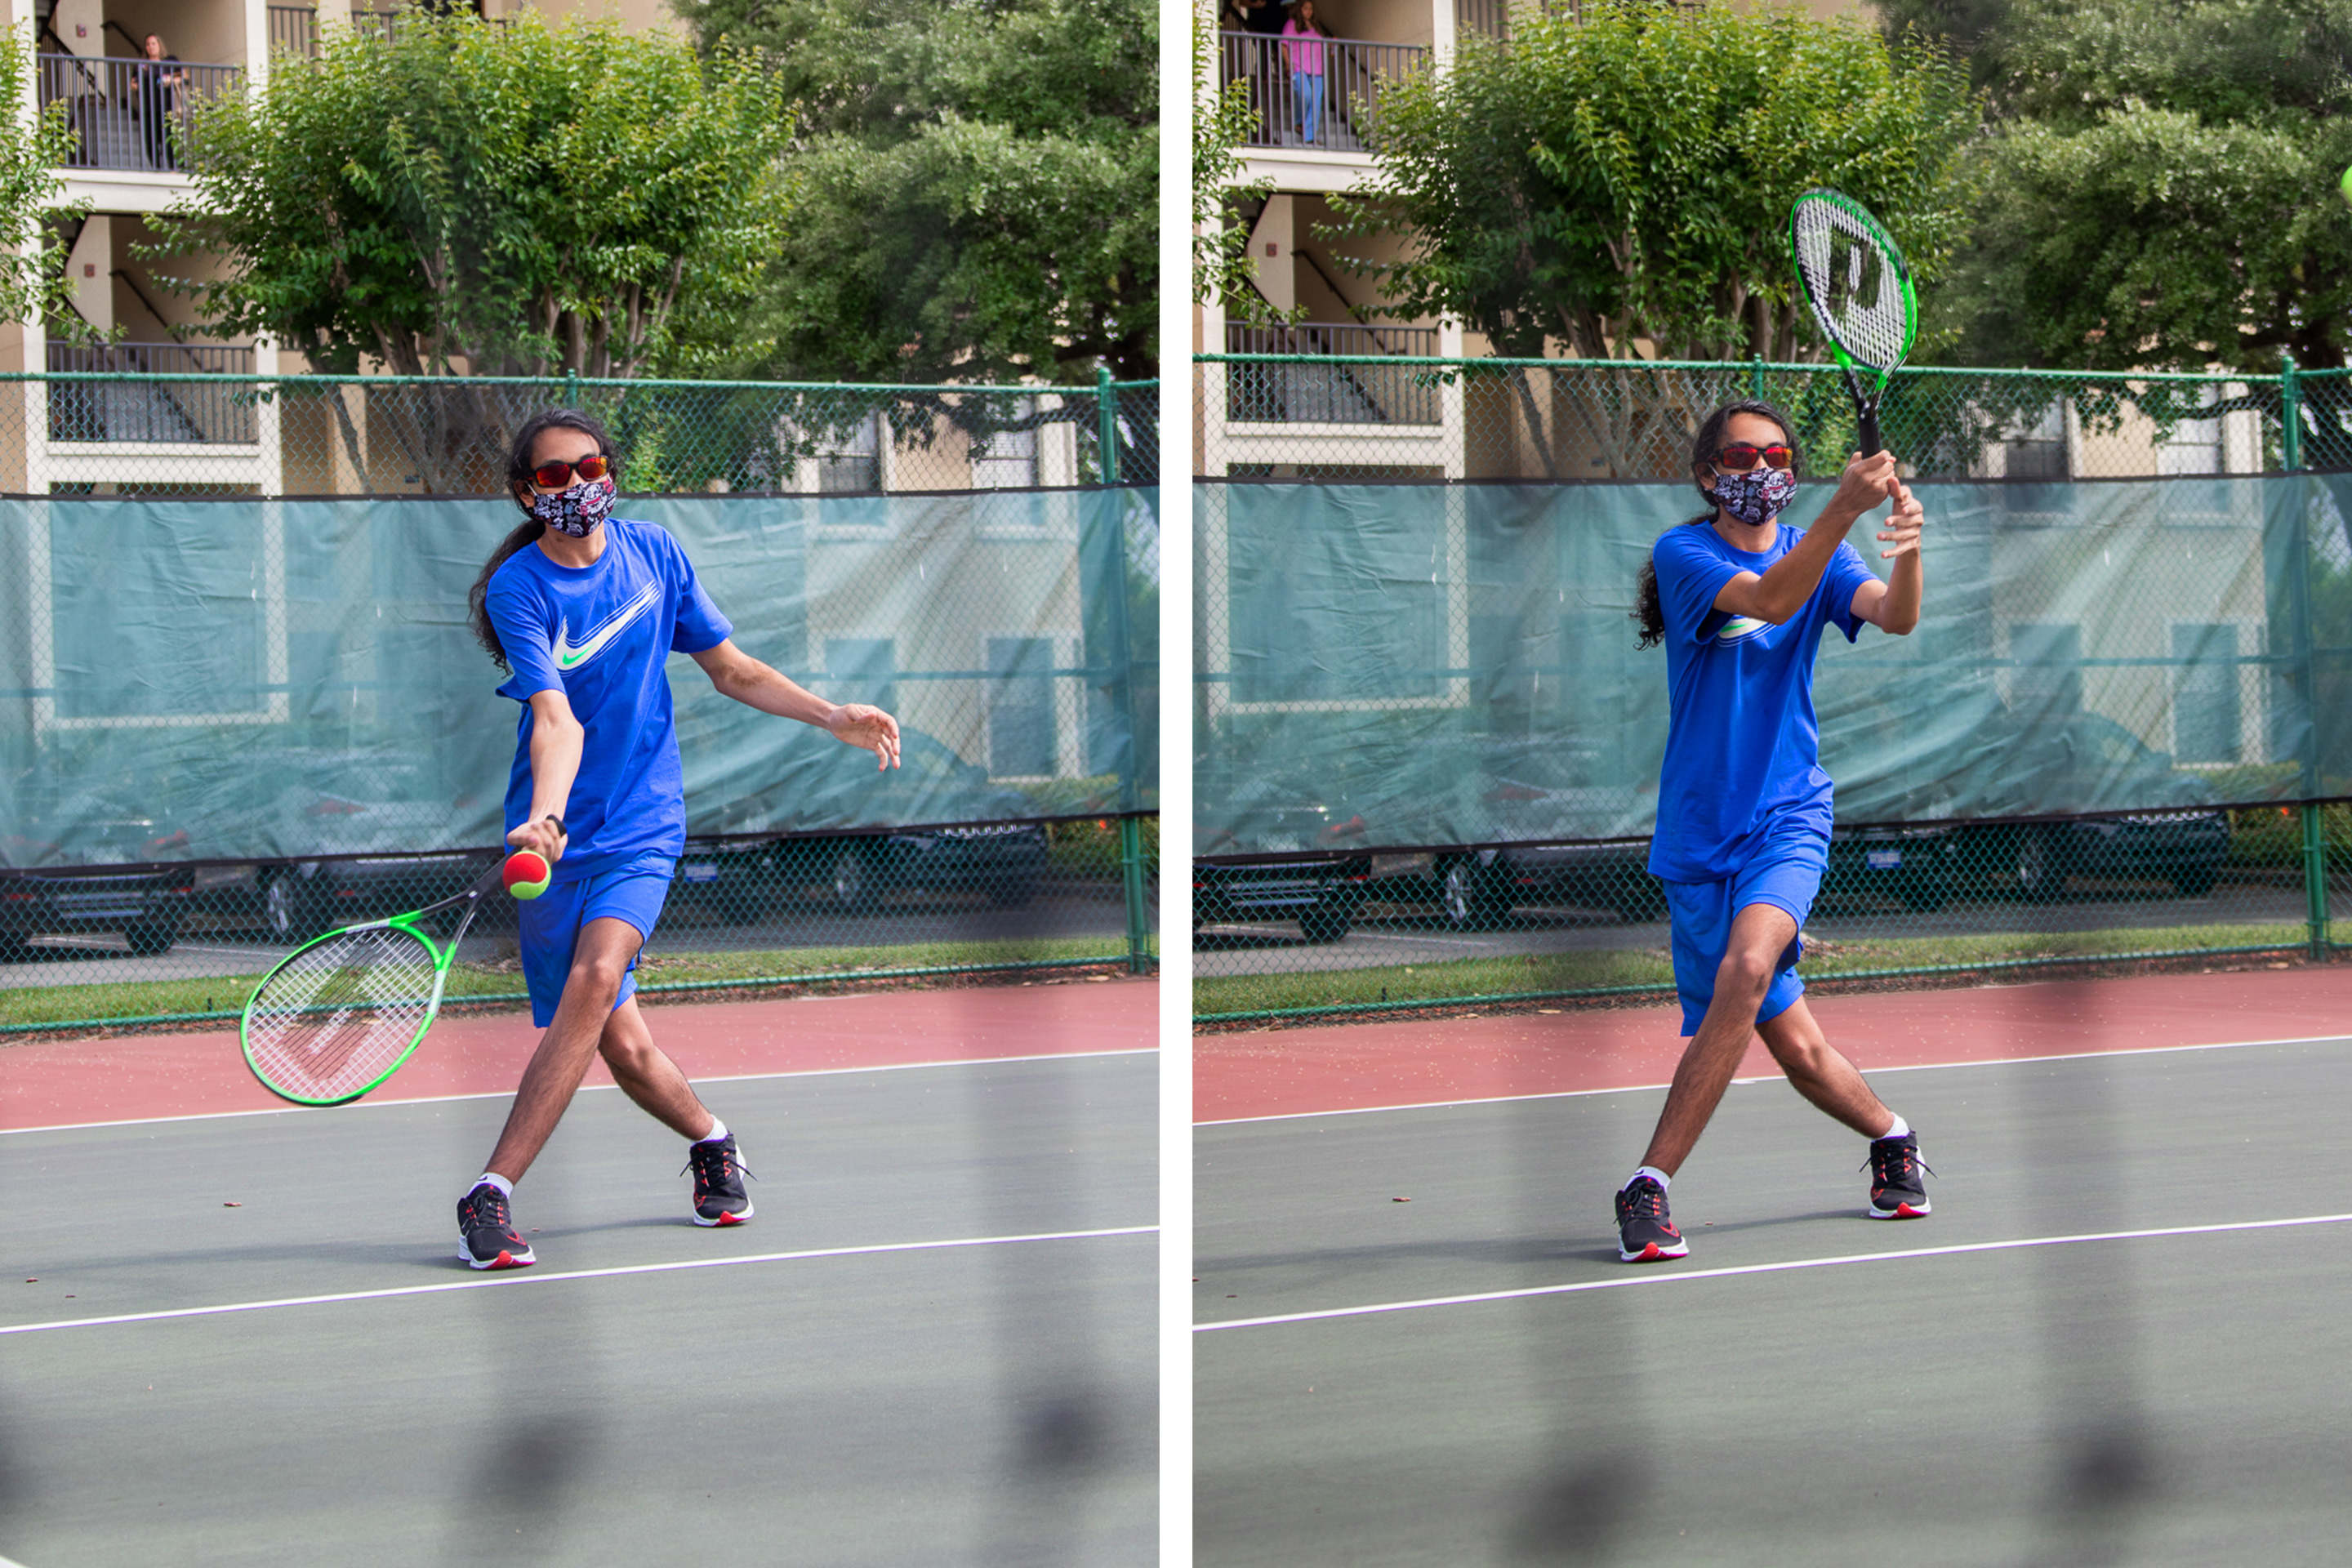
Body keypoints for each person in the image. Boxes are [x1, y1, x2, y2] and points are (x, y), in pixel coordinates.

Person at [454, 409, 901, 1270]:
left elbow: (730, 668)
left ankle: (491, 1192)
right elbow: (557, 720)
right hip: (554, 841)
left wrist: (830, 714)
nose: (579, 484)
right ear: (526, 492)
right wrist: (546, 819)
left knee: (594, 976)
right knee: (620, 1044)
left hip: (644, 826)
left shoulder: (655, 554)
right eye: (555, 476)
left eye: (592, 465)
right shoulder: (522, 589)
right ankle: (713, 1139)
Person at [1614, 401, 1929, 1264]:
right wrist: (1843, 509)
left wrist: (1905, 543)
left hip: (1789, 815)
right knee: (1794, 1045)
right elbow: (1768, 598)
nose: (1762, 469)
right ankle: (1894, 1138)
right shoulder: (1685, 556)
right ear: (1709, 474)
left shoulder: (1821, 549)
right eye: (1742, 456)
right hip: (1698, 834)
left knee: (1748, 968)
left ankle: (1649, 1186)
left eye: (1778, 453)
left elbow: (1895, 617)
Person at [130, 35, 185, 173]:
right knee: (150, 140)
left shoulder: (169, 61)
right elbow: (133, 83)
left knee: (168, 137)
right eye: (148, 44)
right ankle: (157, 169)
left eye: (154, 43)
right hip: (147, 106)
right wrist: (135, 86)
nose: (151, 47)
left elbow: (184, 78)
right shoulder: (142, 65)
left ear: (159, 45)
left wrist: (170, 80)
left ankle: (173, 168)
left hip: (165, 105)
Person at [1282, 1, 1330, 145]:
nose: (1308, 11)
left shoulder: (1316, 27)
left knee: (1316, 102)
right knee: (1305, 95)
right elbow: (1284, 44)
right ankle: (1298, 122)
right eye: (1305, 8)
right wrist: (1287, 62)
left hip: (1317, 68)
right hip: (1298, 66)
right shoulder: (1292, 24)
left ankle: (1309, 135)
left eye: (1310, 9)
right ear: (1300, 10)